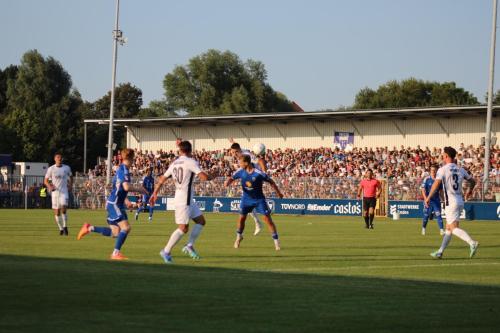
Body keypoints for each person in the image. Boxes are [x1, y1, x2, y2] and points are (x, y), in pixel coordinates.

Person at [150, 141, 214, 264]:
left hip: (186, 198)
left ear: (180, 151)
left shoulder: (174, 163)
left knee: (201, 221)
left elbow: (162, 178)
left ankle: (189, 246)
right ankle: (166, 251)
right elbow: (204, 177)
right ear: (190, 151)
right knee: (183, 228)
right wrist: (213, 175)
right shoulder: (191, 162)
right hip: (184, 200)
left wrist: (155, 193)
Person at [77, 149, 147, 260]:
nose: (133, 161)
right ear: (129, 158)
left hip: (115, 203)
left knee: (115, 233)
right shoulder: (124, 170)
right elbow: (126, 187)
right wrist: (141, 190)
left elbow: (119, 189)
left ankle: (89, 228)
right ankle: (115, 253)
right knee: (126, 227)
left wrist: (127, 202)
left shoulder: (123, 170)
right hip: (114, 204)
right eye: (133, 158)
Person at [426, 146, 479, 259]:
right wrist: (469, 192)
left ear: (446, 156)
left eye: (443, 155)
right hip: (460, 200)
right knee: (449, 229)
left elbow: (436, 184)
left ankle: (472, 243)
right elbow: (472, 181)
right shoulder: (461, 169)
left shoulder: (443, 169)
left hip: (450, 202)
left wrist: (428, 197)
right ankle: (440, 252)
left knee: (453, 228)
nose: (442, 157)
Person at [224, 154, 284, 251]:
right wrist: (228, 182)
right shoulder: (240, 171)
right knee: (241, 219)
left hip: (259, 199)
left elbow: (271, 182)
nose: (239, 164)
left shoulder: (258, 173)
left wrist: (279, 193)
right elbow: (232, 178)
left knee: (268, 220)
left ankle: (276, 242)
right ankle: (239, 237)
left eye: (240, 162)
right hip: (246, 199)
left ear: (246, 163)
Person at [230, 140, 267, 236]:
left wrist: (263, 172)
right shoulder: (241, 153)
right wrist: (232, 141)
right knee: (247, 200)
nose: (233, 154)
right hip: (249, 177)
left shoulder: (246, 156)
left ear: (238, 150)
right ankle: (258, 222)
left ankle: (258, 222)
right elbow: (238, 146)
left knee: (248, 200)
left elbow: (257, 162)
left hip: (255, 177)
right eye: (232, 152)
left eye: (234, 152)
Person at [44, 152, 72, 235]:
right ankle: (60, 228)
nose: (59, 159)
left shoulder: (66, 168)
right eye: (57, 157)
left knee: (64, 207)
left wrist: (70, 185)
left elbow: (71, 177)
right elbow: (45, 181)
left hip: (64, 191)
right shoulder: (51, 169)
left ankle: (65, 226)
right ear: (55, 159)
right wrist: (49, 186)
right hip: (55, 193)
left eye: (60, 157)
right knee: (57, 212)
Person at [420, 165, 444, 236]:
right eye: (432, 170)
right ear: (430, 171)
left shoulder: (439, 180)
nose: (433, 172)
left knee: (439, 215)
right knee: (426, 216)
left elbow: (441, 191)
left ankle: (441, 230)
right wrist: (425, 200)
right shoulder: (427, 179)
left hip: (436, 201)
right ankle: (423, 228)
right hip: (429, 201)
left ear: (437, 171)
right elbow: (423, 190)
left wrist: (443, 200)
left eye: (434, 170)